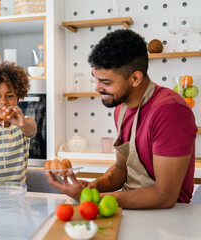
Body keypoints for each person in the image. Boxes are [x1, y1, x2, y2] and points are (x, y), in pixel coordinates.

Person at [46, 29, 198, 209]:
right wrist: (92, 187)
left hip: (168, 218)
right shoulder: (121, 108)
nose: (97, 88)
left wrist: (93, 198)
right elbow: (121, 169)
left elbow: (165, 195)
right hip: (129, 208)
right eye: (95, 79)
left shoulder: (170, 111)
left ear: (135, 78)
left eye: (106, 82)